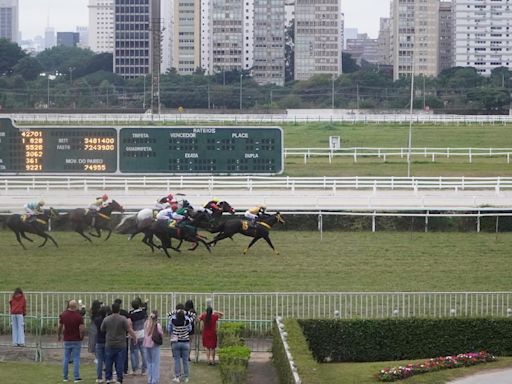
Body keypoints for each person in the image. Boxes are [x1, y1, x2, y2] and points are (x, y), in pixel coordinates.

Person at [101, 301, 137, 384]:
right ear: (119, 310)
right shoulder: (123, 319)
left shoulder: (106, 319)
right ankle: (119, 379)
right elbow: (129, 329)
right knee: (119, 362)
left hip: (109, 343)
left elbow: (102, 329)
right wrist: (134, 337)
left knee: (108, 362)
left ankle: (108, 378)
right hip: (121, 344)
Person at [58, 299, 86, 383]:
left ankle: (65, 377)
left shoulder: (64, 315)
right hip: (76, 339)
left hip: (67, 338)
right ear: (75, 306)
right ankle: (76, 377)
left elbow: (60, 326)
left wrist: (59, 335)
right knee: (76, 358)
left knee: (66, 358)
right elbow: (82, 329)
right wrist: (82, 337)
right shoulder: (78, 316)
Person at [168, 304, 192, 383]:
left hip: (176, 342)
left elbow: (169, 329)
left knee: (177, 360)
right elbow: (190, 329)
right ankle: (186, 377)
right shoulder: (187, 320)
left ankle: (177, 377)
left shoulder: (173, 320)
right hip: (185, 342)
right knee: (185, 360)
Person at [129, 298, 148, 375]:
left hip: (134, 334)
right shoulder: (143, 312)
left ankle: (135, 369)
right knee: (143, 352)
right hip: (142, 333)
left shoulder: (131, 313)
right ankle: (144, 369)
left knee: (134, 352)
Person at [143, 310, 163, 384]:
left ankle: (150, 378)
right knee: (155, 362)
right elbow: (161, 333)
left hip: (146, 344)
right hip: (154, 344)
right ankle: (155, 380)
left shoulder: (146, 323)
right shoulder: (157, 325)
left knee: (149, 362)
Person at [94, 305, 111, 384]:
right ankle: (108, 377)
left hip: (99, 341)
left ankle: (99, 377)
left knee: (99, 360)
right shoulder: (108, 320)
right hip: (106, 341)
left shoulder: (97, 320)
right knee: (107, 359)